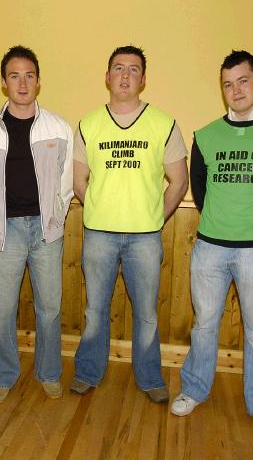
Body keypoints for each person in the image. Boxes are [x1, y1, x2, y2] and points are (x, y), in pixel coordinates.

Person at [170, 50, 253, 440]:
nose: (236, 90)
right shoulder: (207, 136)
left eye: (243, 81)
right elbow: (200, 189)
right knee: (204, 325)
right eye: (228, 84)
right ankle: (194, 390)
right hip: (210, 249)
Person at [71, 45, 188, 402]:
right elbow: (79, 182)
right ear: (107, 77)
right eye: (118, 69)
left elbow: (179, 182)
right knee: (95, 309)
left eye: (133, 69)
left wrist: (155, 217)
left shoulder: (164, 124)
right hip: (99, 235)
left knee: (147, 313)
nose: (125, 75)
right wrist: (100, 211)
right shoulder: (88, 124)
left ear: (143, 79)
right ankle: (88, 372)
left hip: (145, 238)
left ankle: (150, 377)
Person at [0, 45, 73, 403]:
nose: (22, 82)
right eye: (14, 75)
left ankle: (49, 372)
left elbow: (66, 178)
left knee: (50, 307)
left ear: (39, 81)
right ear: (4, 82)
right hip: (5, 231)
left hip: (46, 231)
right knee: (0, 309)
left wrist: (55, 214)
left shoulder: (58, 128)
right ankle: (1, 374)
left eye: (29, 75)